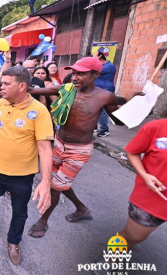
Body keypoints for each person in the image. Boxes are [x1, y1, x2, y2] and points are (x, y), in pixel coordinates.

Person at [28, 57, 131, 238]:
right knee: (60, 183)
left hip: (79, 151)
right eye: (74, 73)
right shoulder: (66, 89)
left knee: (54, 187)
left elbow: (119, 121)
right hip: (59, 144)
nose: (75, 78)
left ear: (96, 74)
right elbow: (33, 89)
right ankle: (81, 209)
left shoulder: (105, 97)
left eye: (81, 74)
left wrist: (137, 108)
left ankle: (43, 221)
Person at [0, 66, 54, 265]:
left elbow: (44, 149)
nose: (1, 87)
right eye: (2, 83)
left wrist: (45, 182)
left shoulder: (39, 111)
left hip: (22, 176)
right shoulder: (0, 104)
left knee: (20, 212)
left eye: (7, 84)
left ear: (22, 86)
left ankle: (13, 241)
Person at [118, 119, 167, 250]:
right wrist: (145, 176)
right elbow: (132, 151)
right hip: (153, 198)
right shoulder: (156, 127)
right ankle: (112, 259)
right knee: (131, 236)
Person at [94, 51, 117, 137]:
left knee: (101, 110)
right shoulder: (101, 66)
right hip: (97, 90)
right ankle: (94, 126)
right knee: (95, 109)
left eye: (94, 57)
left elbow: (93, 71)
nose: (93, 59)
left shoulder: (109, 66)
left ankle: (104, 129)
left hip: (105, 90)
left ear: (100, 57)